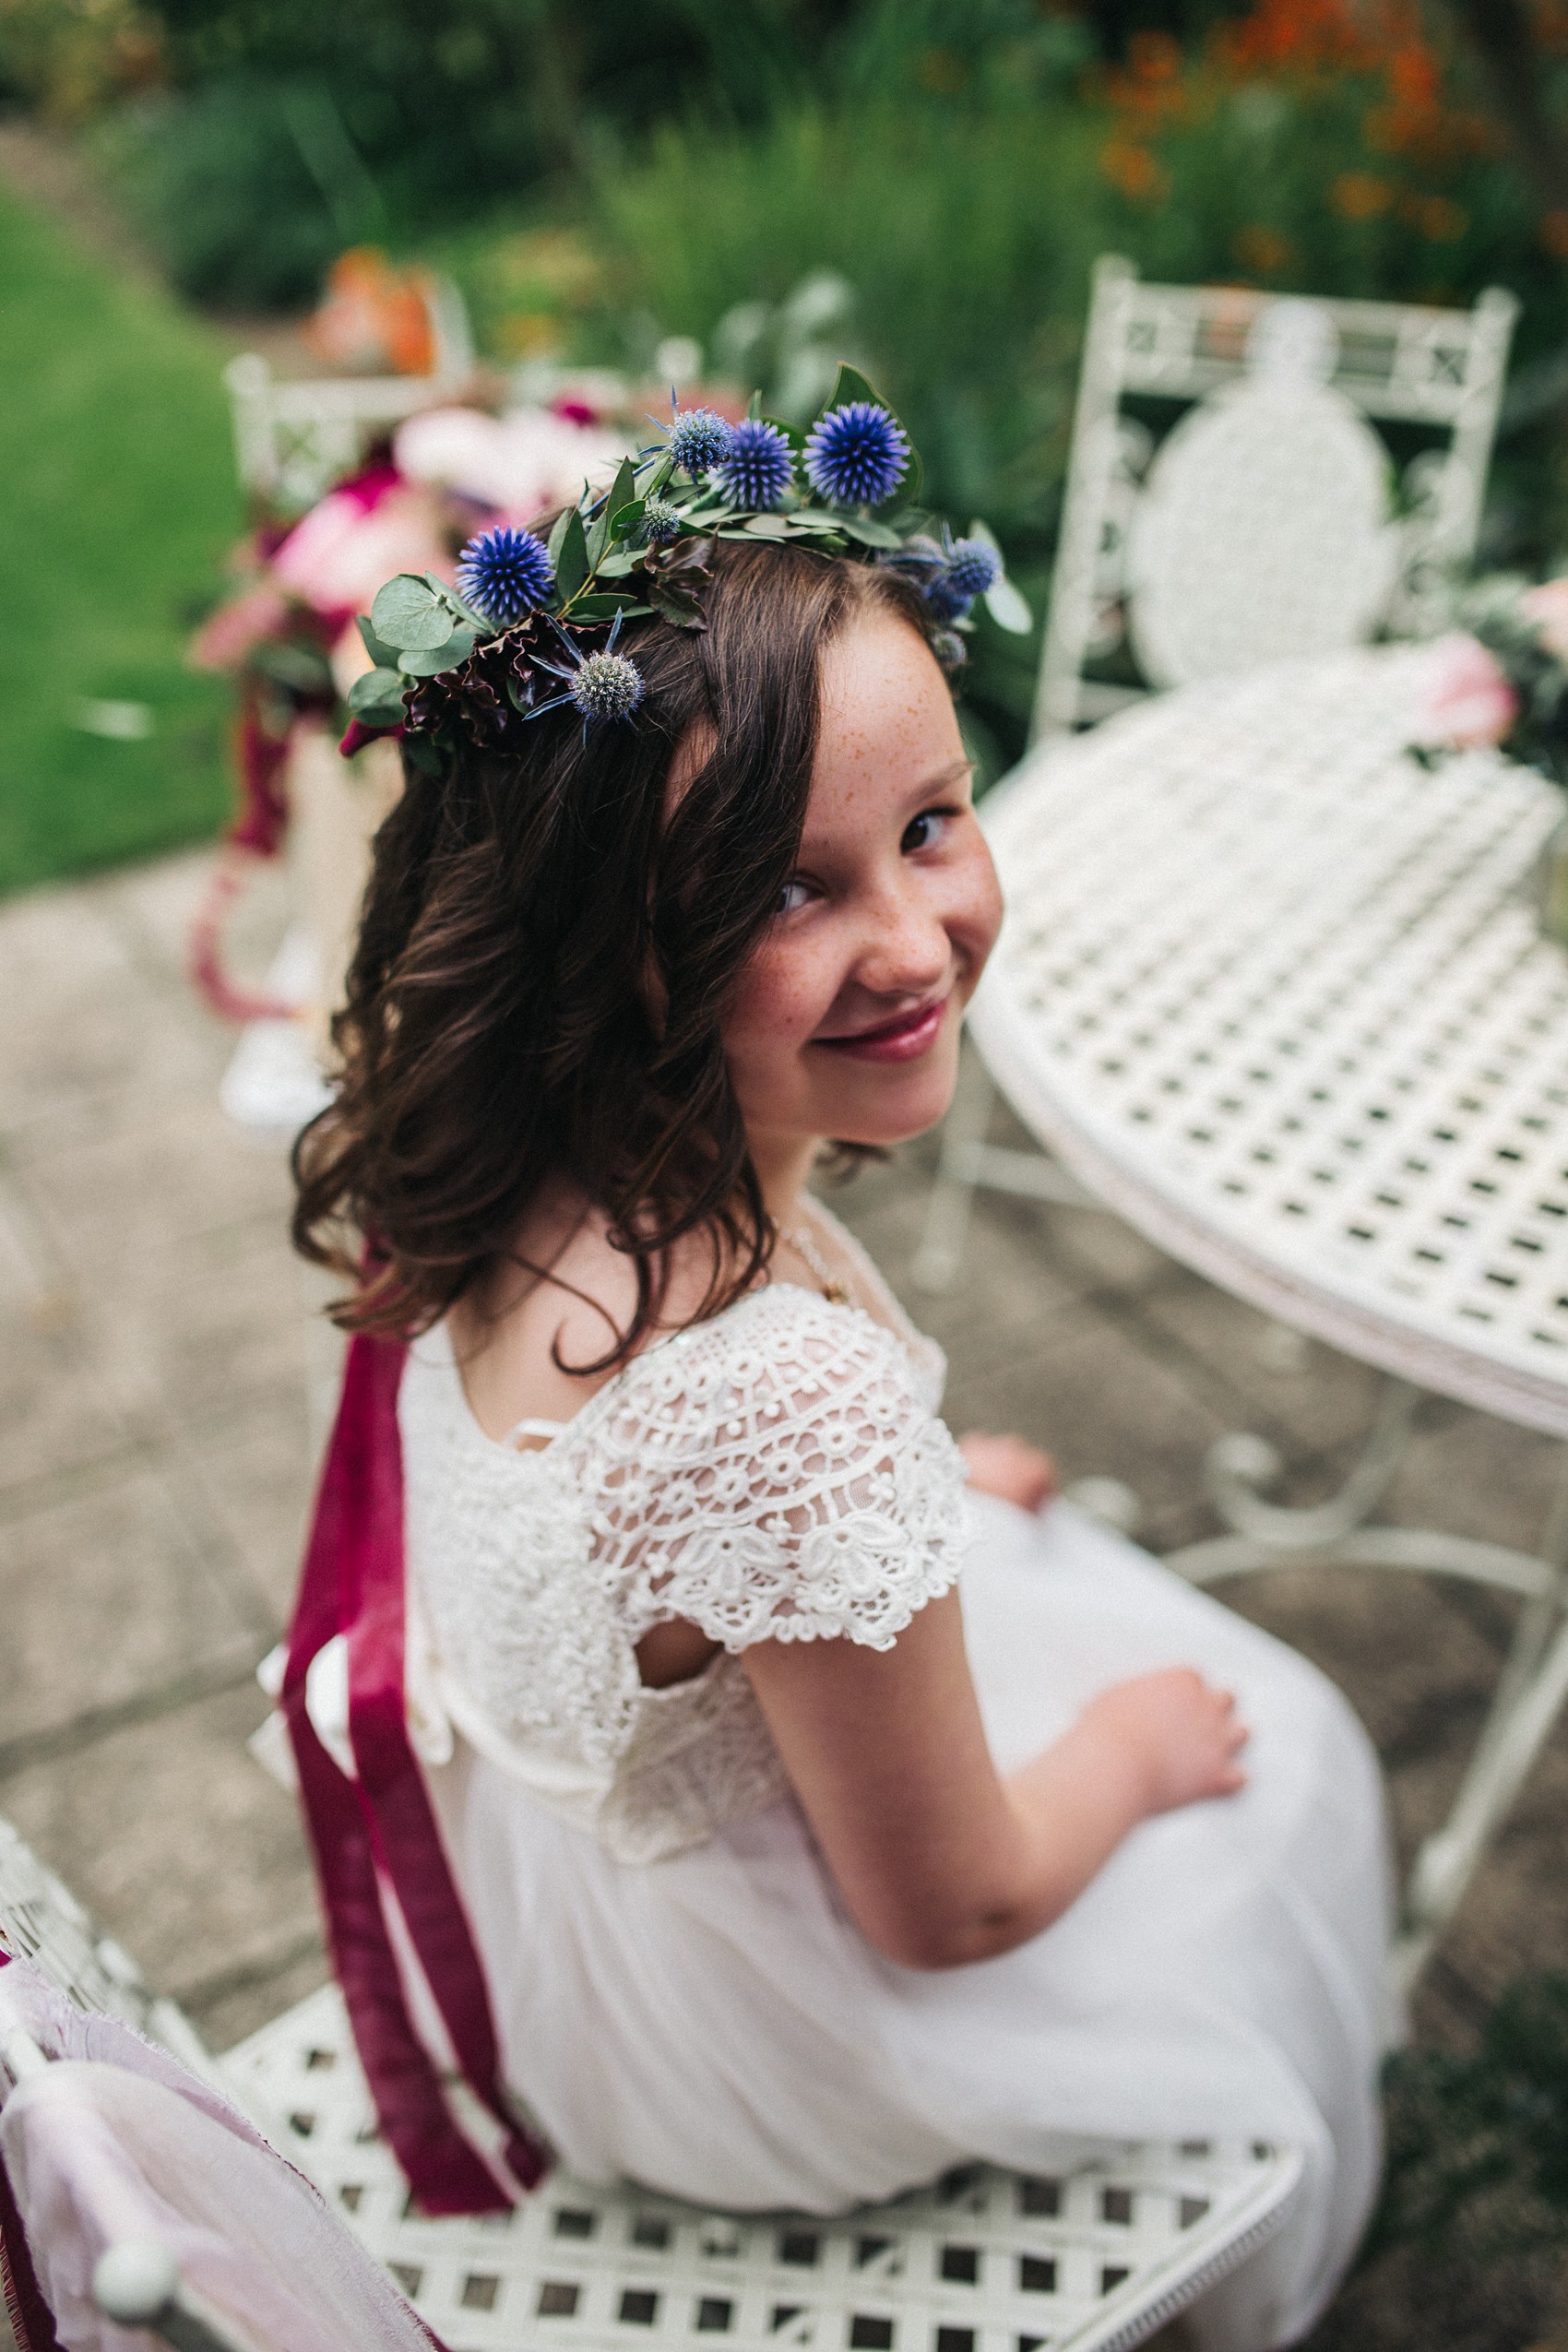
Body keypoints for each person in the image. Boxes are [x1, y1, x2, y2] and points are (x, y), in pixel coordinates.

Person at [284, 392, 1392, 2352]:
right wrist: (1129, 1760)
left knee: (1022, 1572)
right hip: (750, 2057)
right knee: (1285, 1748)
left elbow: (658, 1518)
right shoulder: (771, 1399)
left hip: (561, 1934)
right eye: (785, 890)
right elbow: (947, 1909)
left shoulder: (503, 1152)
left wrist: (920, 1491)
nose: (916, 939)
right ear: (601, 946)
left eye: (930, 823)